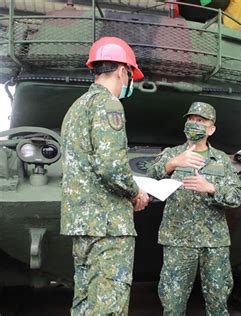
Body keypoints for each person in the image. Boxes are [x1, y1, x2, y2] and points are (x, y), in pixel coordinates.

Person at [60, 36, 150, 315]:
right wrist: (136, 191)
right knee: (108, 302)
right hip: (109, 224)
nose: (127, 82)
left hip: (82, 223)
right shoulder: (108, 104)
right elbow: (111, 166)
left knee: (85, 300)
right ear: (123, 70)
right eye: (129, 75)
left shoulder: (75, 108)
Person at [147, 102, 241, 315]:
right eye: (191, 119)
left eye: (201, 121)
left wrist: (210, 188)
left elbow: (236, 196)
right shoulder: (172, 154)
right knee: (172, 302)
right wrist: (172, 164)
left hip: (214, 242)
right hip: (178, 240)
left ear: (211, 129)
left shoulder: (222, 160)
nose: (194, 124)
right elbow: (148, 181)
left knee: (218, 301)